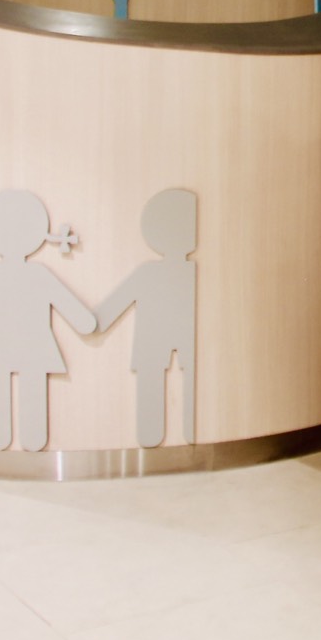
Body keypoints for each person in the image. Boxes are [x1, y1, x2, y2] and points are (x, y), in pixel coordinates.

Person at [97, 189, 197, 447]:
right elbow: (118, 302)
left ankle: (176, 433)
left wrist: (94, 321)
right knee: (159, 382)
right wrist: (95, 321)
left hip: (165, 342)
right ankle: (161, 434)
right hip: (155, 342)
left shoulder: (175, 272)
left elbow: (115, 303)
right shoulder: (159, 272)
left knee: (176, 384)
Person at [0, 190, 95, 451]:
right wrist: (86, 322)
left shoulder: (5, 274)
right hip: (33, 349)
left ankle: (15, 439)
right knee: (26, 391)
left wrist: (86, 322)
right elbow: (76, 313)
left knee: (11, 388)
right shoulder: (33, 273)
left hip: (16, 349)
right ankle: (25, 440)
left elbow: (72, 310)